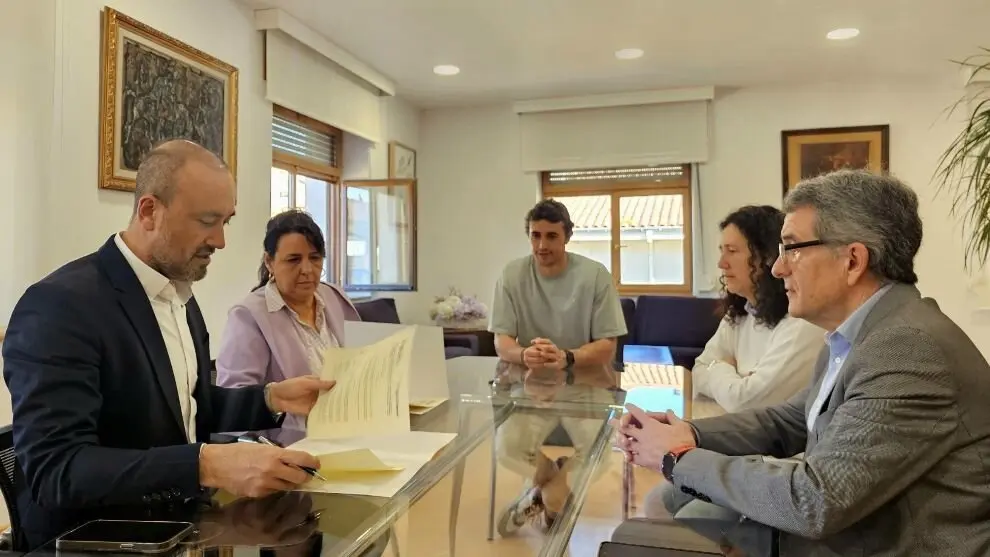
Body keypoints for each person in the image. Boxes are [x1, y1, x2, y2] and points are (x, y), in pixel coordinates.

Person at [615, 170, 990, 556]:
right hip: (848, 532)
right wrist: (689, 433)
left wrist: (677, 457)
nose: (778, 269)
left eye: (791, 248)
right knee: (646, 531)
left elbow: (815, 501)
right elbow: (789, 421)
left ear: (853, 260)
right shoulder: (860, 334)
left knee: (636, 543)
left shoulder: (907, 348)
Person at [1, 140, 334, 550]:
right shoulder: (59, 307)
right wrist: (204, 465)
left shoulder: (180, 296)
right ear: (149, 212)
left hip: (180, 530)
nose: (221, 240)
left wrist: (271, 398)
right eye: (207, 221)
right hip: (94, 542)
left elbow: (187, 408)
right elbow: (55, 471)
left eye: (226, 221)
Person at [488, 198, 627, 534]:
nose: (541, 245)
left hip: (586, 384)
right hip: (528, 385)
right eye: (535, 236)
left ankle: (543, 493)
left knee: (602, 456)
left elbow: (608, 345)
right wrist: (523, 355)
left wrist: (567, 356)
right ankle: (552, 492)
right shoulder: (511, 274)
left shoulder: (594, 276)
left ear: (567, 236)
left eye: (551, 236)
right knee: (505, 448)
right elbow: (501, 340)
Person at [216, 209, 360, 429]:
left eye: (315, 258)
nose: (307, 270)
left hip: (353, 426)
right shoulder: (248, 316)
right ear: (269, 262)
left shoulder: (334, 297)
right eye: (293, 260)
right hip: (291, 446)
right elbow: (234, 401)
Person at [690, 205, 824, 413]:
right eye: (721, 251)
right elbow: (698, 371)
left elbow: (746, 402)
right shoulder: (739, 313)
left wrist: (718, 369)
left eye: (732, 251)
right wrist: (734, 379)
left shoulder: (801, 322)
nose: (721, 263)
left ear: (768, 257)